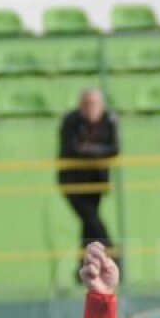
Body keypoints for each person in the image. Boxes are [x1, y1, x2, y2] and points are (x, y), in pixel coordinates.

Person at [59, 89, 120, 256]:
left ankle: (83, 265)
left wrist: (87, 149)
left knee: (88, 224)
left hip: (96, 181)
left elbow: (114, 149)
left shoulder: (110, 119)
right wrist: (97, 153)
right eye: (86, 104)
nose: (90, 108)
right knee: (93, 221)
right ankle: (114, 256)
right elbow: (71, 149)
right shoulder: (70, 120)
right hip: (73, 182)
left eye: (94, 104)